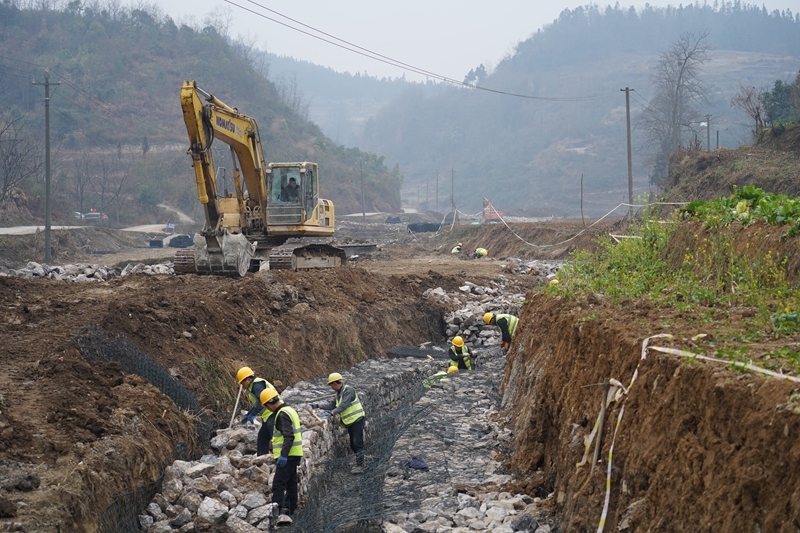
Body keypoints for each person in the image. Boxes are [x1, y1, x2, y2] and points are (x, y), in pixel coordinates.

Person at [260, 388, 303, 519]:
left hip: (288, 455)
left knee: (278, 483)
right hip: (294, 454)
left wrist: (284, 454)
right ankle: (290, 509)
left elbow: (289, 436)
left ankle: (276, 511)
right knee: (291, 482)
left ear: (268, 404)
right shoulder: (289, 410)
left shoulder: (282, 414)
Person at [311, 372, 366, 469]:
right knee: (353, 444)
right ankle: (359, 462)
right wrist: (318, 406)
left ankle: (360, 465)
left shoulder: (348, 391)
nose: (332, 388)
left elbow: (343, 405)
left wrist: (332, 413)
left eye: (332, 385)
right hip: (350, 421)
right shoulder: (339, 394)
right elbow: (331, 405)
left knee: (357, 442)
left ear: (335, 384)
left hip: (357, 419)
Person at [236, 366, 276, 455]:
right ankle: (262, 460)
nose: (242, 386)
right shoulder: (255, 386)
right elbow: (258, 403)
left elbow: (262, 400)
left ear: (248, 379)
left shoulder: (257, 385)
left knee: (276, 438)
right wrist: (249, 414)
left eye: (242, 383)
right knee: (262, 437)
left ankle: (280, 459)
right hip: (269, 414)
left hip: (273, 413)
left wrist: (253, 414)